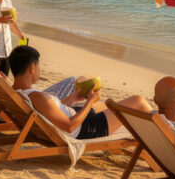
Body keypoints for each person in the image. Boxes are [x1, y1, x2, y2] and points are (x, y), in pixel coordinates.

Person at [9, 45, 151, 140]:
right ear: (32, 68)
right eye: (38, 67)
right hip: (85, 128)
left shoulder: (18, 92)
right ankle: (166, 131)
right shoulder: (36, 96)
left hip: (74, 114)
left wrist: (71, 99)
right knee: (137, 101)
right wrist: (90, 101)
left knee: (107, 106)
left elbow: (47, 111)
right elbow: (70, 126)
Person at [0, 27, 76, 99]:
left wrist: (7, 83)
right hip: (28, 104)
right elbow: (14, 95)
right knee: (71, 82)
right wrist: (8, 82)